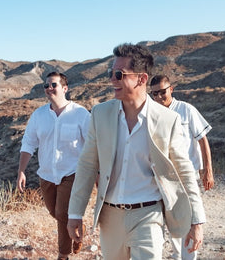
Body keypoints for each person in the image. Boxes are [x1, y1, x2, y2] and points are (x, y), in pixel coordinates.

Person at [67, 43, 206, 260]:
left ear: (141, 79)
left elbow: (185, 171)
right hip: (110, 216)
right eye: (111, 73)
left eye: (119, 74)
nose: (112, 79)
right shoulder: (100, 115)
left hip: (149, 214)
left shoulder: (168, 120)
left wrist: (196, 220)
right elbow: (87, 165)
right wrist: (75, 213)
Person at [17, 71, 91, 260]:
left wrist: (96, 172)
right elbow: (29, 143)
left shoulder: (80, 114)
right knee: (55, 213)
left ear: (65, 88)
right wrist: (21, 171)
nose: (49, 88)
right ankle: (77, 227)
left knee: (62, 212)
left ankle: (63, 254)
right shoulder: (39, 115)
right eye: (46, 85)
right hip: (47, 174)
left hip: (72, 173)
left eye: (53, 85)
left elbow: (92, 144)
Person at [150, 74, 214, 260]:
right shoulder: (152, 113)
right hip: (163, 176)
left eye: (163, 92)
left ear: (171, 89)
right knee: (169, 221)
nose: (160, 97)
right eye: (155, 94)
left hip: (188, 175)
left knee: (189, 218)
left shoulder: (186, 110)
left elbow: (202, 139)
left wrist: (207, 169)